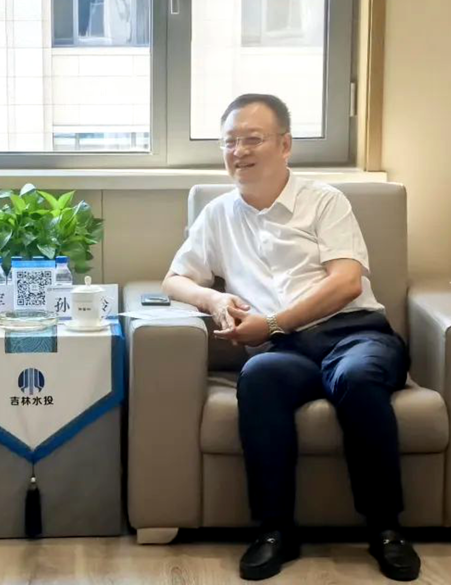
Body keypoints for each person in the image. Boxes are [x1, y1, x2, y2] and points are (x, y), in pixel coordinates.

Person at [163, 93, 420, 582]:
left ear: (285, 145)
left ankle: (386, 528)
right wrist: (214, 300)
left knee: (357, 379)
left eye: (252, 139)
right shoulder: (217, 214)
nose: (239, 151)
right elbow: (174, 280)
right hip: (286, 351)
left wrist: (272, 323)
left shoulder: (324, 201)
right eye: (229, 142)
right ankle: (274, 530)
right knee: (259, 376)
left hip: (354, 333)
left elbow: (346, 282)